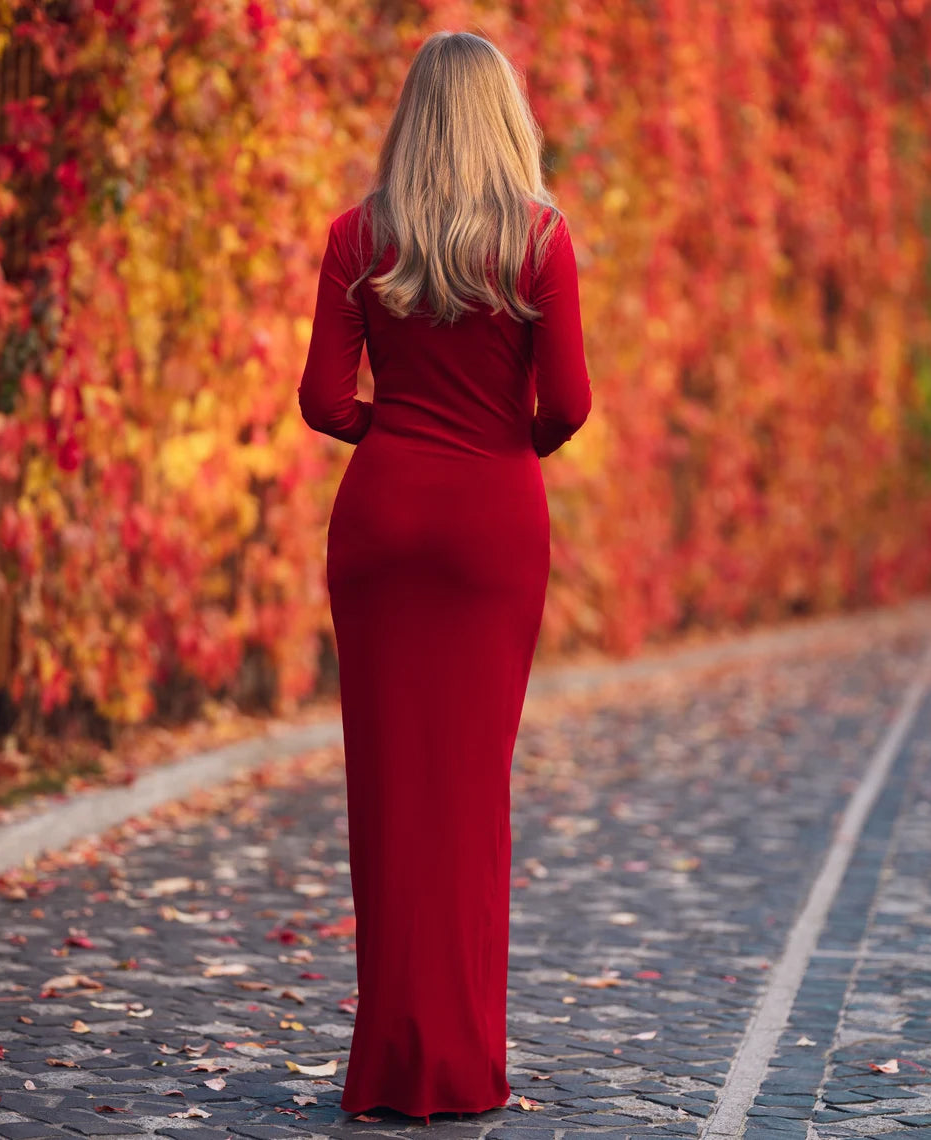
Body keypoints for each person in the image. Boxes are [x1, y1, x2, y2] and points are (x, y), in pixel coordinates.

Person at [297, 27, 592, 1127]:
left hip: (381, 525)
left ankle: (387, 1065)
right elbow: (567, 404)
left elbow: (324, 401)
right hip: (490, 530)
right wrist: (502, 445)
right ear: (505, 119)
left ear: (411, 120)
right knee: (470, 794)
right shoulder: (540, 241)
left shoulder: (356, 237)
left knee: (387, 794)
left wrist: (396, 438)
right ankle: (461, 1064)